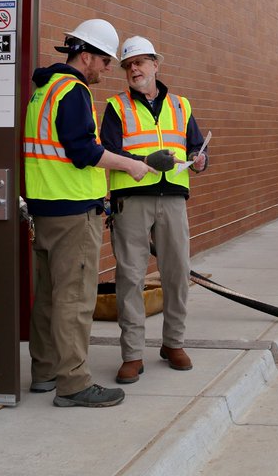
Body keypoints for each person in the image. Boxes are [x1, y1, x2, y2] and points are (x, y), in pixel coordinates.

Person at [23, 19, 153, 408]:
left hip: (44, 209)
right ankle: (74, 383)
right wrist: (130, 165)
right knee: (75, 300)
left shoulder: (43, 89)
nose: (109, 68)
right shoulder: (74, 91)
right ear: (85, 56)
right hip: (73, 212)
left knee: (47, 297)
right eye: (104, 60)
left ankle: (45, 372)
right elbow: (84, 152)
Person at [100, 36, 208, 385]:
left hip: (174, 197)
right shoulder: (116, 107)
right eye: (129, 65)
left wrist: (201, 160)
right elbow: (109, 151)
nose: (134, 69)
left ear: (155, 65)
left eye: (141, 63)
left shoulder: (181, 105)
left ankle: (173, 343)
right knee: (130, 276)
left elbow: (194, 147)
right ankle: (132, 354)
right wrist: (145, 161)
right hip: (131, 199)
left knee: (177, 272)